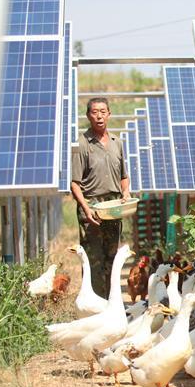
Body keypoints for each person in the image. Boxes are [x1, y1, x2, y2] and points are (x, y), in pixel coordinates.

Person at [70, 97, 130, 298]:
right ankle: (95, 305)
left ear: (109, 114)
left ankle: (111, 303)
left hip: (113, 207)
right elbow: (74, 183)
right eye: (94, 112)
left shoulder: (117, 143)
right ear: (88, 116)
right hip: (92, 206)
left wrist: (126, 193)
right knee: (93, 259)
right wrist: (86, 209)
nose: (99, 116)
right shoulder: (82, 144)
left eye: (103, 111)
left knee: (112, 258)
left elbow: (124, 176)